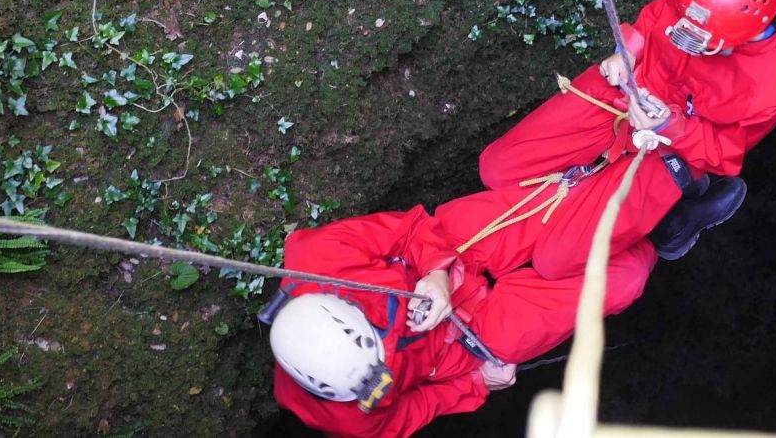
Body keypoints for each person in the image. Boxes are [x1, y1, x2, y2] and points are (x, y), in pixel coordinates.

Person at [478, 0, 776, 275]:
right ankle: (588, 189)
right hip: (631, 83)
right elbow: (656, 14)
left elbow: (722, 152)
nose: (689, 36)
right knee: (496, 169)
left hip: (677, 146)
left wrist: (671, 126)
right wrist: (629, 47)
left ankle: (670, 225)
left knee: (553, 262)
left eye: (705, 39)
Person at [269, 184, 656, 438]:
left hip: (450, 253)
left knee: (574, 206)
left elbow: (409, 228)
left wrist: (437, 273)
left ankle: (655, 191)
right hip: (463, 348)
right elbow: (415, 408)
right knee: (626, 276)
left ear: (347, 307)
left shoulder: (318, 257)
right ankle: (665, 234)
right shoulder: (344, 417)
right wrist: (475, 384)